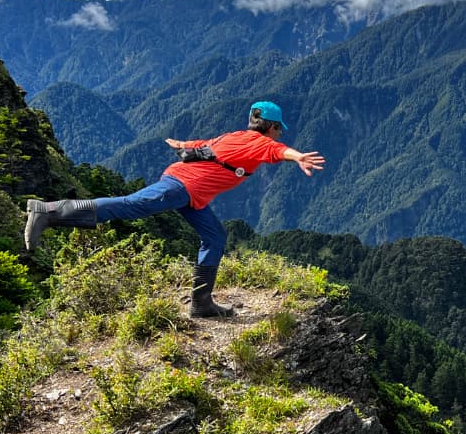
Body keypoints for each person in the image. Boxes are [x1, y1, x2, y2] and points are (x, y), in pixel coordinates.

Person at [23, 101, 325, 318]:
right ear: (270, 126)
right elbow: (278, 150)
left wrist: (183, 143)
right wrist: (298, 157)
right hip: (181, 187)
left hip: (191, 195)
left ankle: (201, 303)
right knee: (131, 205)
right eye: (278, 129)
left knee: (215, 237)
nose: (278, 135)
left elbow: (204, 145)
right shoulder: (259, 142)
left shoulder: (236, 137)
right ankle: (49, 212)